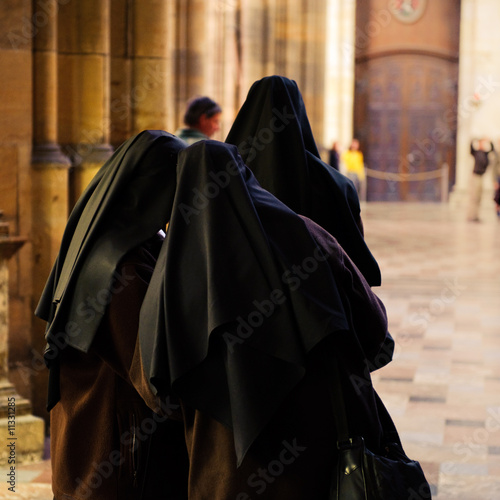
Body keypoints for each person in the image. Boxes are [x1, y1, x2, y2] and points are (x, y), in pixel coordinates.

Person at [138, 140, 398, 499]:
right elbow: (373, 326)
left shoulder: (168, 274)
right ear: (245, 176)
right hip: (315, 449)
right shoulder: (309, 236)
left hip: (221, 470)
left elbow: (155, 385)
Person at [35, 130, 189, 500]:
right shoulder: (120, 266)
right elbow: (151, 375)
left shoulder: (115, 241)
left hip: (100, 443)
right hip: (113, 456)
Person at [225, 75, 381, 287]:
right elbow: (352, 258)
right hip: (318, 299)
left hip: (246, 299)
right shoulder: (336, 185)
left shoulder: (226, 179)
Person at [467, 137, 494, 222]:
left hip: (481, 176)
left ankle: (476, 215)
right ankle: (471, 216)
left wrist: (489, 140)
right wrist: (477, 138)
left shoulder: (485, 153)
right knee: (474, 197)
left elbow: (492, 149)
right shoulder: (476, 152)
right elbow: (470, 145)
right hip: (476, 176)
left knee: (479, 197)